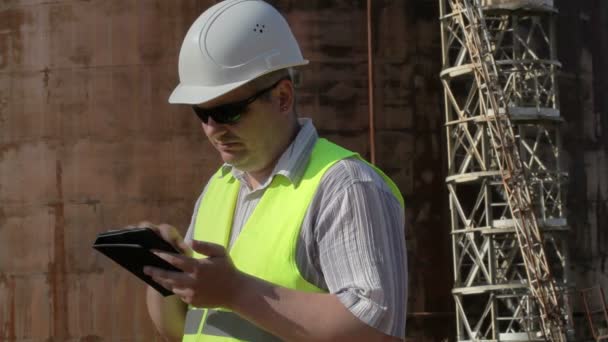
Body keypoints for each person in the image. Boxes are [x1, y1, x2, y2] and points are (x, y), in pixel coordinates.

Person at [142, 0, 407, 341]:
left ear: (283, 98)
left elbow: (374, 330)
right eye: (201, 113)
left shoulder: (345, 187)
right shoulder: (219, 188)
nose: (213, 128)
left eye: (229, 111)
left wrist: (237, 293)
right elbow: (187, 331)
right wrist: (163, 275)